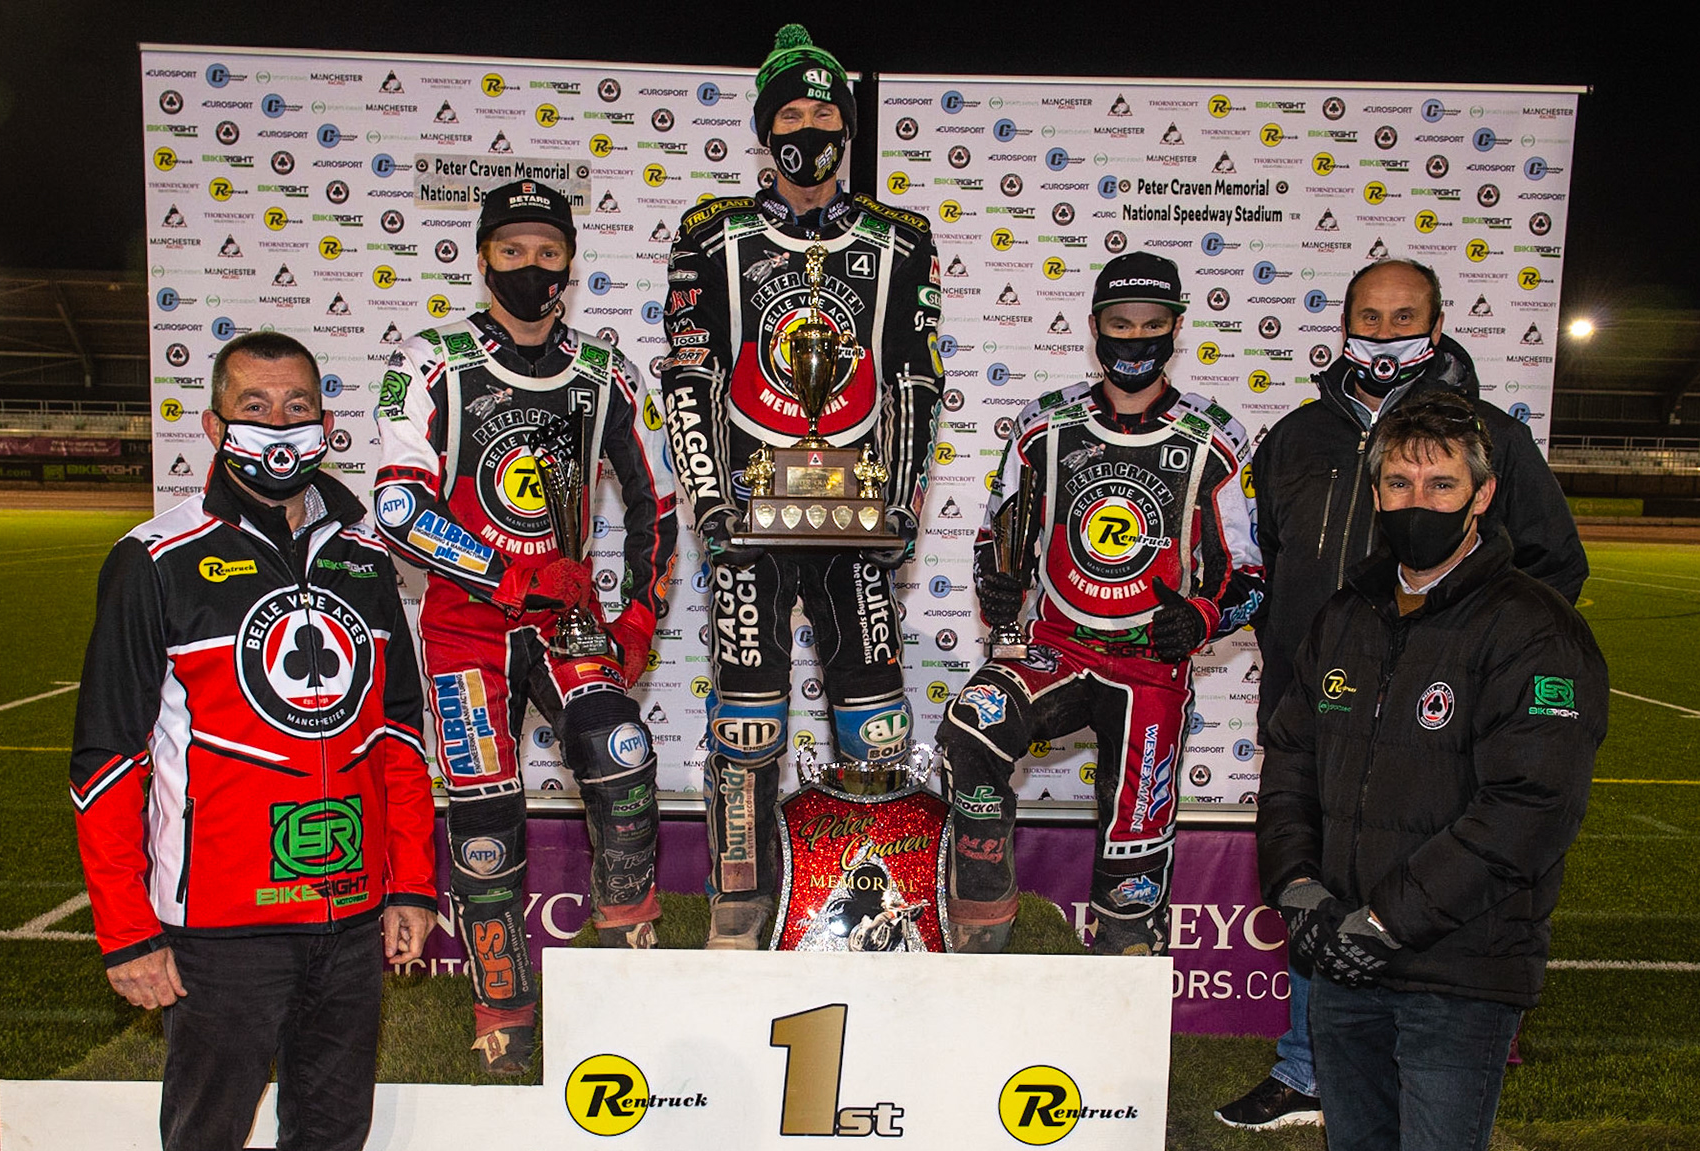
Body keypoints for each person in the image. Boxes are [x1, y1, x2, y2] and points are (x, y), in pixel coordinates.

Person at [71, 331, 437, 1151]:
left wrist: (413, 882)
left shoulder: (371, 559)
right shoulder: (154, 558)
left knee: (329, 1140)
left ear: (327, 420)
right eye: (253, 406)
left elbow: (400, 736)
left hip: (344, 916)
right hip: (217, 921)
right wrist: (128, 925)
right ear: (218, 427)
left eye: (298, 404)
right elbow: (106, 758)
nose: (279, 424)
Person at [1257, 394, 1605, 1151]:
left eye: (1438, 485)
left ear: (1484, 493)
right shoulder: (1350, 613)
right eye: (1396, 486)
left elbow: (1529, 810)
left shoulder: (1534, 627)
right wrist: (1300, 884)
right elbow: (1294, 757)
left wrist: (1389, 918)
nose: (1415, 505)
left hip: (1460, 965)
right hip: (1347, 958)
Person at [1217, 256, 1588, 1130]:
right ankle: (1308, 1072)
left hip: (1439, 718)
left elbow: (1553, 566)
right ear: (1345, 324)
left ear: (1438, 319)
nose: (1385, 333)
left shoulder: (1492, 434)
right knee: (1319, 881)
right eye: (1370, 317)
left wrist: (1474, 653)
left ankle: (1440, 1064)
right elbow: (1252, 564)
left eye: (1404, 315)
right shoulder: (1298, 437)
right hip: (1330, 703)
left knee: (1428, 882)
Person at [372, 178, 678, 1072]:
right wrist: (505, 575)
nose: (532, 268)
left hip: (567, 623)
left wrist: (638, 618)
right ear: (482, 260)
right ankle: (502, 1007)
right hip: (469, 628)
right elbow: (397, 506)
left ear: (571, 265)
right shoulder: (432, 362)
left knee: (623, 752)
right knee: (484, 821)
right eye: (513, 252)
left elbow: (653, 504)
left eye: (549, 253)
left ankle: (629, 963)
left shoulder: (605, 372)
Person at [661, 23, 943, 949]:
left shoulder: (901, 239)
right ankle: (739, 906)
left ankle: (879, 903)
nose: (811, 127)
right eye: (792, 111)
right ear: (764, 128)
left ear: (848, 127)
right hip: (749, 518)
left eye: (826, 112)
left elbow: (914, 379)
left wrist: (900, 500)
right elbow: (690, 377)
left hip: (855, 523)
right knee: (745, 720)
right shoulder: (713, 233)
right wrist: (708, 501)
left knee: (877, 723)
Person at [936, 254, 1265, 954]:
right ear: (1094, 328)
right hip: (1055, 646)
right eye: (1121, 324)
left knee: (1134, 843)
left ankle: (1125, 958)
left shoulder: (1215, 439)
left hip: (1151, 666)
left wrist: (1202, 618)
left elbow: (1250, 575)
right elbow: (999, 538)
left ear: (1177, 328)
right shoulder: (1042, 426)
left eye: (1152, 325)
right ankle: (980, 920)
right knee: (970, 728)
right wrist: (997, 583)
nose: (1136, 339)